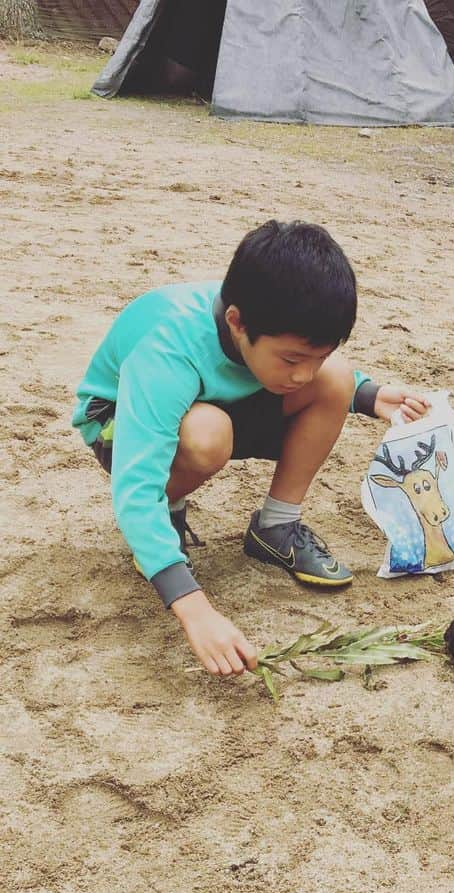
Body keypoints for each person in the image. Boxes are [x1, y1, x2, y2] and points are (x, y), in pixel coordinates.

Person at [72, 220, 431, 677]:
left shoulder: (269, 321)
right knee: (207, 435)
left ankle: (276, 528)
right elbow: (134, 485)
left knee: (337, 379)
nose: (303, 374)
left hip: (219, 401)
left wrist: (365, 394)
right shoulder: (167, 349)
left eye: (315, 356)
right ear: (237, 323)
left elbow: (313, 369)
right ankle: (169, 516)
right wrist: (193, 608)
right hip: (121, 424)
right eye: (292, 360)